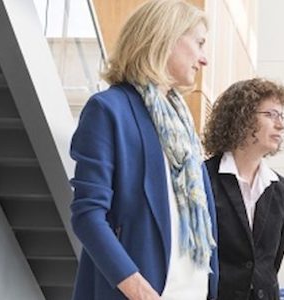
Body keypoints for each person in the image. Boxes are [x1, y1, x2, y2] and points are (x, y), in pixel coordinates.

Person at [68, 0, 217, 299]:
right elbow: (88, 215)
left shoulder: (182, 123)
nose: (204, 60)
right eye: (199, 43)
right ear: (165, 37)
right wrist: (137, 289)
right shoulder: (109, 110)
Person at [202, 78, 284, 300]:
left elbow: (271, 264)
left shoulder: (282, 189)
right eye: (270, 115)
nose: (280, 125)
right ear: (241, 117)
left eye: (282, 116)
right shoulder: (203, 178)